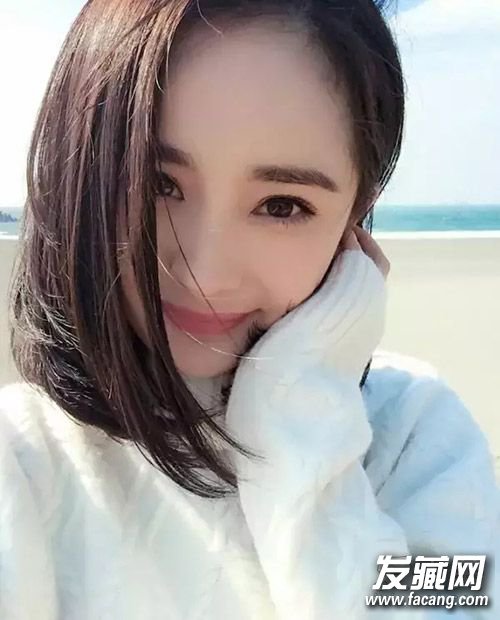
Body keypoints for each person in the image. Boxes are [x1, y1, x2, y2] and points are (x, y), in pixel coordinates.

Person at [0, 0, 498, 618]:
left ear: (352, 221)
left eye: (282, 206)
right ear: (78, 174)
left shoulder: (416, 432)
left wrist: (296, 414)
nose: (205, 274)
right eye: (158, 184)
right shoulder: (21, 456)